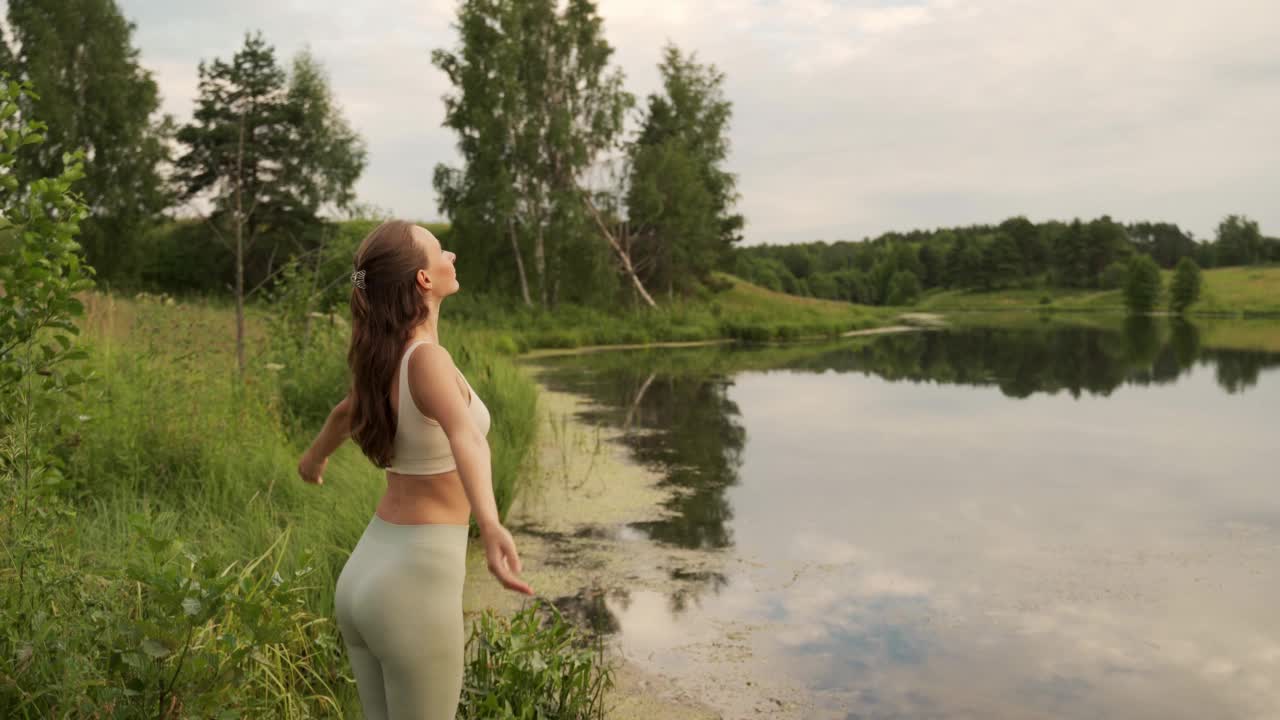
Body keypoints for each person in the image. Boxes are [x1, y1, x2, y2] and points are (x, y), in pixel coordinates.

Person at [296, 219, 533, 720]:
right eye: (439, 250)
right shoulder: (427, 359)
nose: (452, 256)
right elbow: (465, 435)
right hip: (413, 587)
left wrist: (313, 459)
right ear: (424, 280)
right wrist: (490, 526)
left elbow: (344, 413)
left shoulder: (385, 355)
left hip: (366, 577)